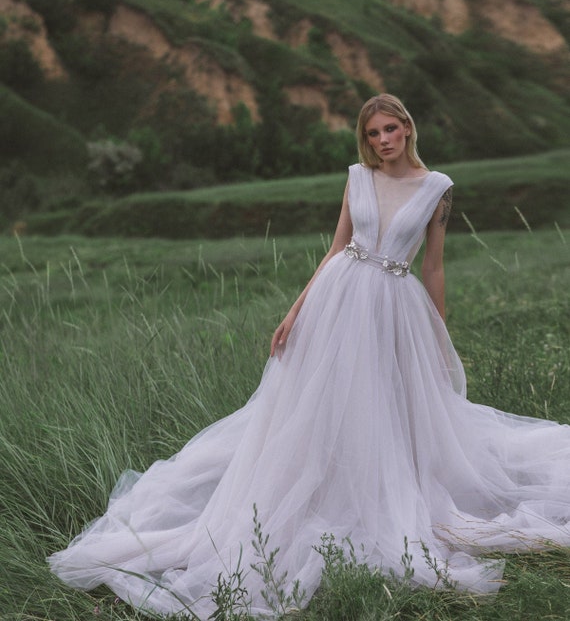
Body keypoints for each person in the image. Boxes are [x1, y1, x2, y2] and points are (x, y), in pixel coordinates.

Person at [49, 94, 570, 618]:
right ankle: (314, 487)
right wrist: (295, 311)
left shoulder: (438, 190)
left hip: (394, 306)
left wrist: (438, 335)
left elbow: (433, 267)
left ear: (408, 129)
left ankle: (383, 491)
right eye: (372, 134)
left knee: (387, 406)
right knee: (317, 405)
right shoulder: (358, 178)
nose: (383, 141)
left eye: (390, 129)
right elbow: (337, 248)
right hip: (337, 299)